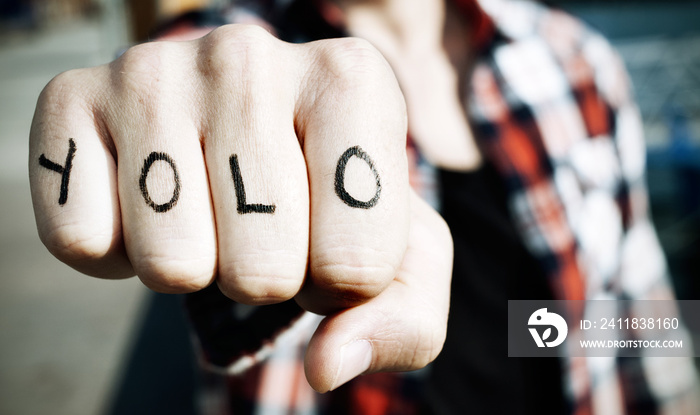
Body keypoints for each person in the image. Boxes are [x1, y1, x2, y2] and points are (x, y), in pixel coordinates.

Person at [28, 0, 700, 413]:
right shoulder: (235, 57)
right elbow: (165, 81)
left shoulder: (577, 61)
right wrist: (132, 118)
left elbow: (638, 327)